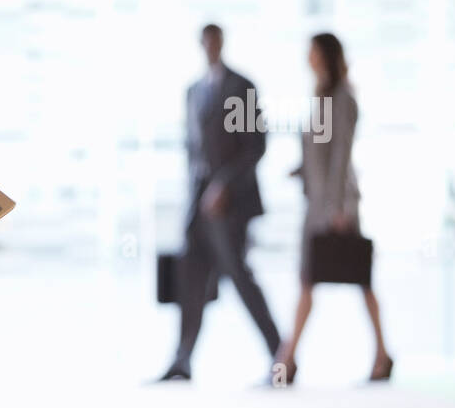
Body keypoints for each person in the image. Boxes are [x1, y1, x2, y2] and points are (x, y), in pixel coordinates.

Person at [159, 23, 283, 382]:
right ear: (200, 44)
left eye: (216, 40)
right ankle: (182, 360)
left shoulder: (241, 88)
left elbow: (255, 146)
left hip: (231, 206)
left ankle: (281, 357)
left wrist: (224, 185)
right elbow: (193, 148)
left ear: (223, 42)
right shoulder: (193, 91)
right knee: (190, 279)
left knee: (240, 278)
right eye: (206, 41)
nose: (211, 46)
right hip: (198, 204)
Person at [274, 32, 393, 382]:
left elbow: (341, 155)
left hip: (336, 207)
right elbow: (321, 153)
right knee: (320, 281)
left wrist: (337, 208)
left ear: (326, 55)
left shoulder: (342, 98)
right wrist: (302, 170)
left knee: (353, 279)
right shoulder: (322, 97)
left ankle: (288, 361)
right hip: (319, 203)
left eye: (312, 52)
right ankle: (291, 359)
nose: (307, 58)